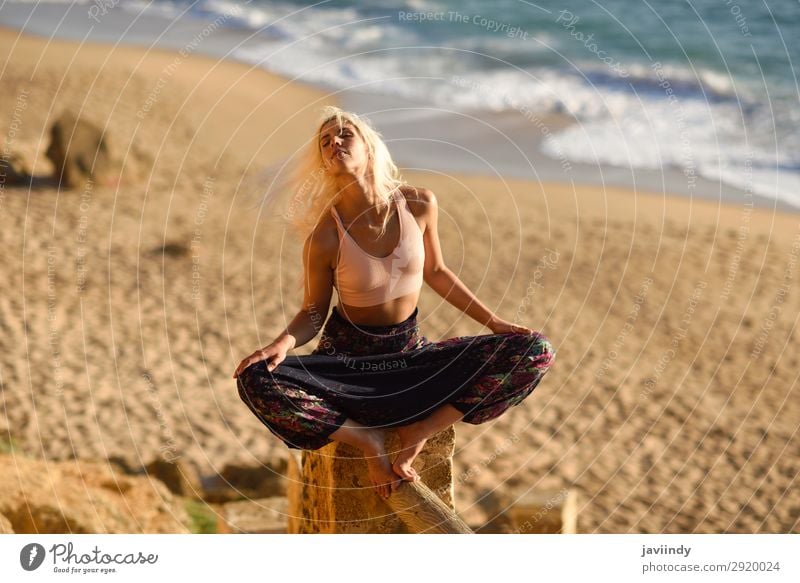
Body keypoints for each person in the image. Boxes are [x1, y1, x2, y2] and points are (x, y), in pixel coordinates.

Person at [233, 106, 556, 500]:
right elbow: (313, 312)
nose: (335, 142)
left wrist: (496, 323)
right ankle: (366, 440)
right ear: (324, 163)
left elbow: (436, 272)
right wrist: (282, 343)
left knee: (534, 351)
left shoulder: (419, 204)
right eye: (325, 141)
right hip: (346, 370)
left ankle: (419, 429)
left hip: (410, 361)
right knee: (255, 379)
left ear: (368, 146)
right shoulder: (325, 237)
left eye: (344, 134)